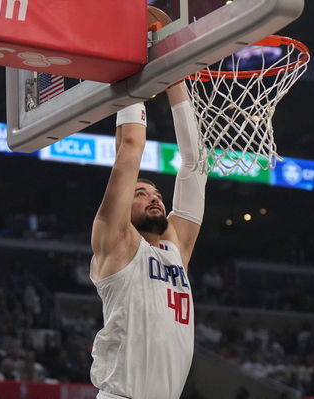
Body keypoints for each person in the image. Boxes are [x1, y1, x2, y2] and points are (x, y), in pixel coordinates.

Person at [89, 81, 207, 399]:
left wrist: (176, 82)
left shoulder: (175, 249)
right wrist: (133, 81)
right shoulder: (117, 242)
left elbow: (196, 165)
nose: (153, 198)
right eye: (140, 194)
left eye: (157, 194)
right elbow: (129, 148)